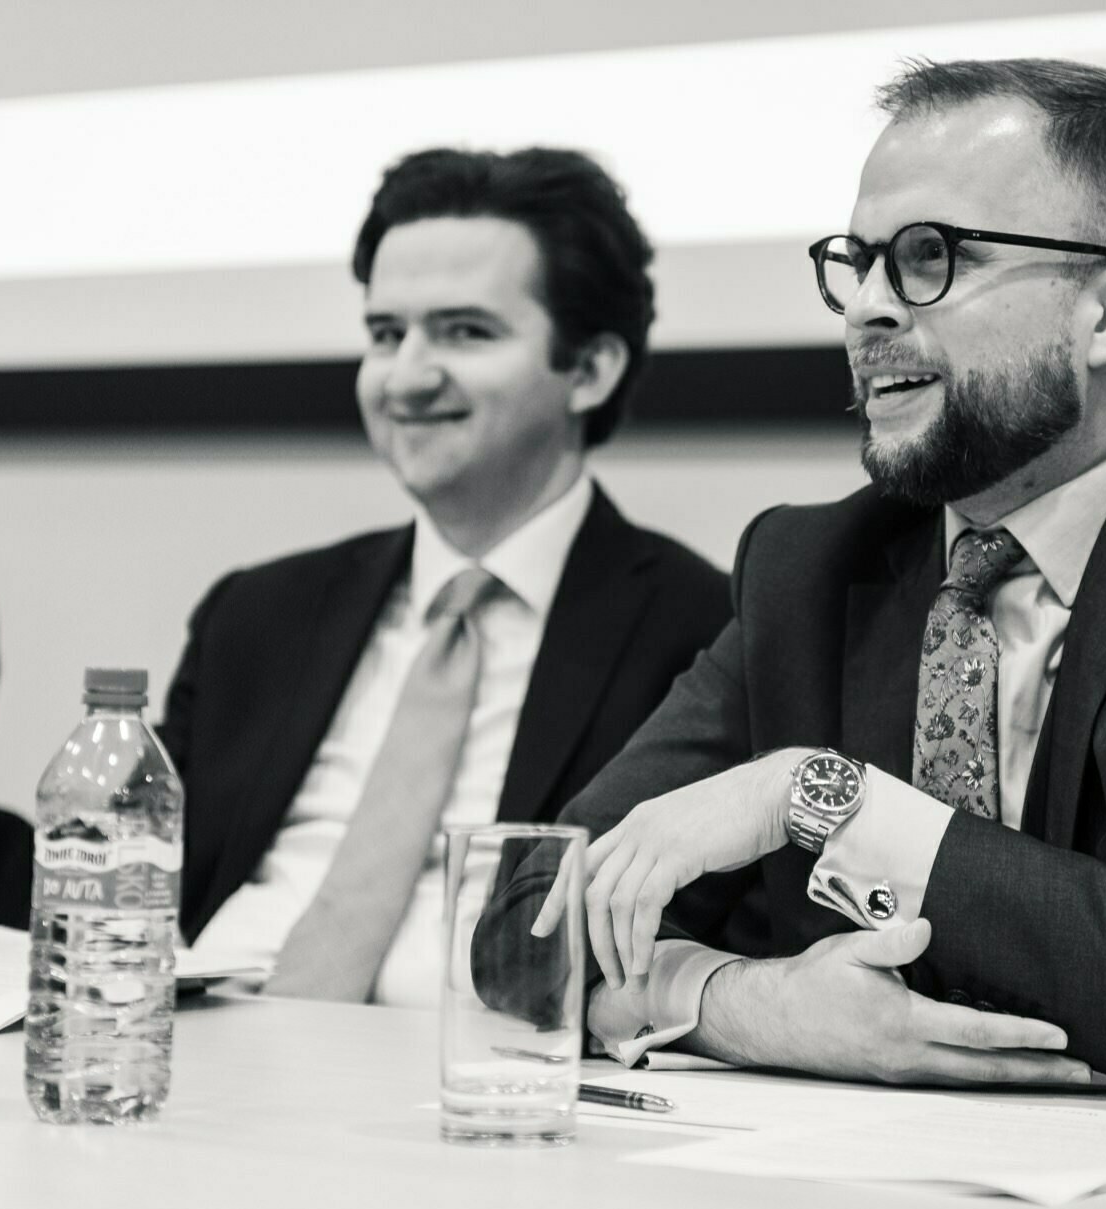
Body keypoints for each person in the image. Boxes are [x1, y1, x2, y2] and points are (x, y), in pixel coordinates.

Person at [481, 59, 1106, 1103]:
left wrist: (817, 796)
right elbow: (519, 929)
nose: (867, 310)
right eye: (857, 262)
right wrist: (751, 1005)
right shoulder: (808, 569)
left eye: (928, 258)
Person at [161, 147, 731, 1004]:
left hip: (482, 1077)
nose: (407, 377)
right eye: (386, 334)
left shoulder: (702, 631)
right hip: (205, 1050)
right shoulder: (257, 613)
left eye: (465, 332)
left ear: (589, 368)